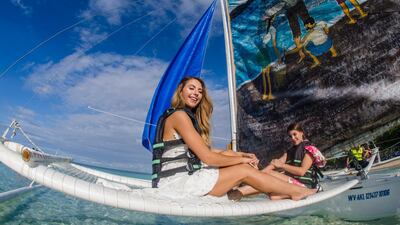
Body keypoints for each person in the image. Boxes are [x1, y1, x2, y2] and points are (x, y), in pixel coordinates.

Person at [152, 76, 317, 201]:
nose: (196, 93)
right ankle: (296, 191)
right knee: (244, 170)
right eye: (191, 88)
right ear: (181, 91)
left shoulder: (184, 117)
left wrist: (242, 155)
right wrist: (242, 162)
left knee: (234, 157)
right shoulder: (179, 116)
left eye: (200, 91)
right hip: (176, 185)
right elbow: (208, 157)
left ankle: (265, 191)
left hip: (185, 179)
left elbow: (210, 150)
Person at [236, 122, 324, 200]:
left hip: (305, 187)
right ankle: (238, 193)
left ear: (301, 133)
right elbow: (274, 165)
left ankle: (238, 193)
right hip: (290, 186)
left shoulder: (309, 149)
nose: (293, 138)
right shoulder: (289, 152)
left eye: (295, 134)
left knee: (269, 175)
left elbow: (301, 172)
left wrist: (282, 166)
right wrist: (253, 175)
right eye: (290, 136)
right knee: (268, 183)